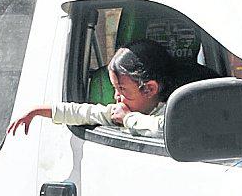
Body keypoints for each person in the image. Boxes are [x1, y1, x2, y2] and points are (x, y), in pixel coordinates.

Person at [9, 39, 173, 138]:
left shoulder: (171, 114)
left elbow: (163, 130)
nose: (116, 97)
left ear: (149, 89)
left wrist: (128, 119)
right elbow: (85, 113)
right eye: (115, 89)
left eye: (122, 90)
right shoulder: (120, 113)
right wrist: (38, 111)